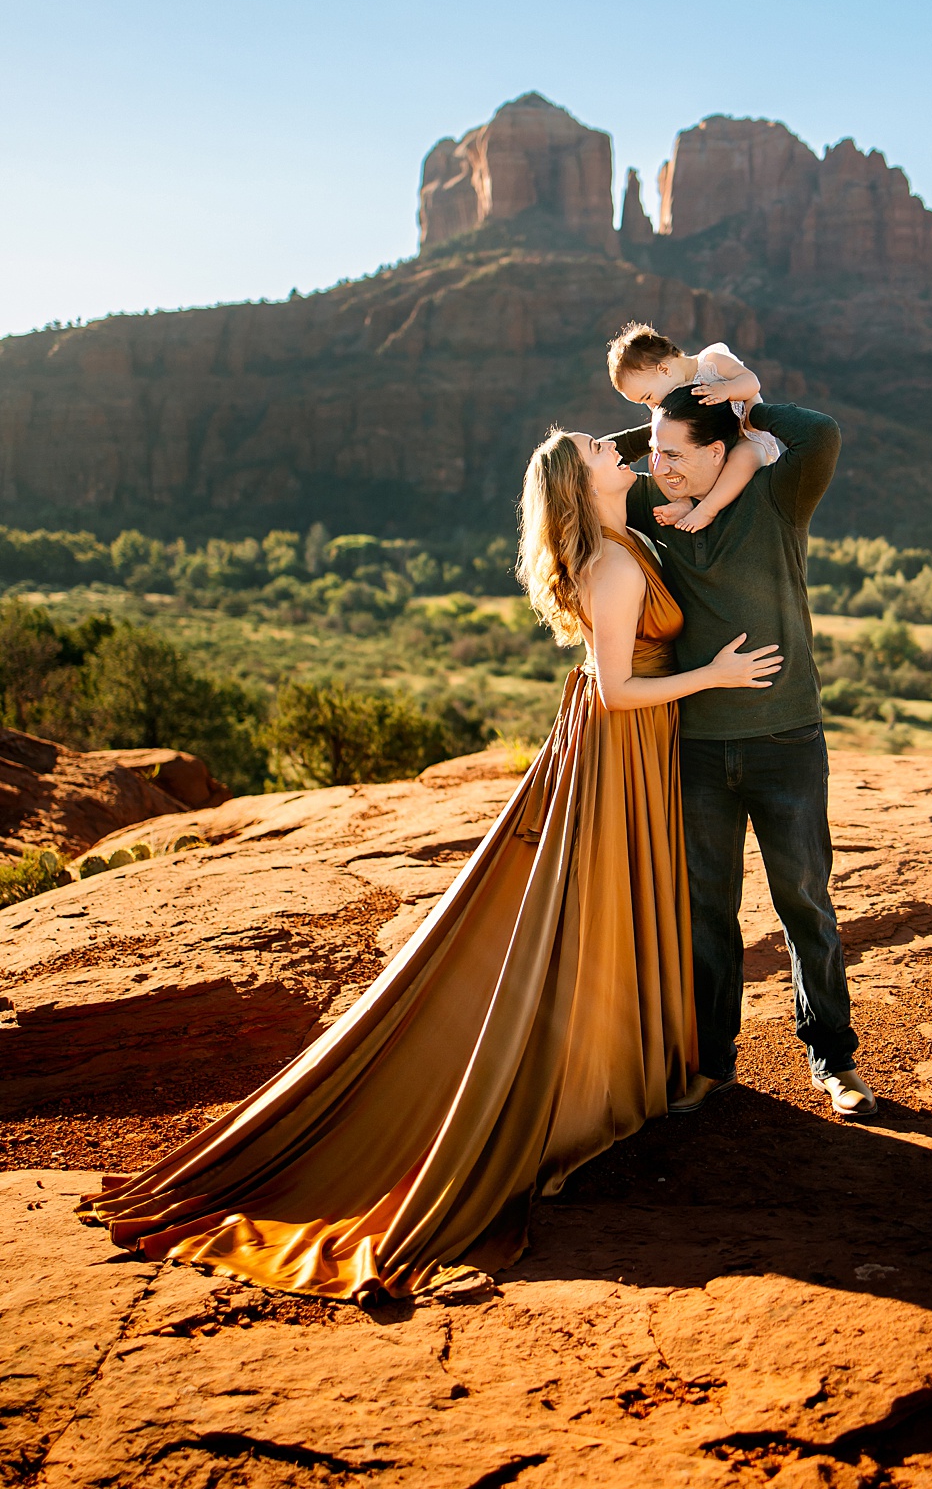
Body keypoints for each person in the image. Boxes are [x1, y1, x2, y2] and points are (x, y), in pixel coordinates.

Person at [78, 430, 780, 1303]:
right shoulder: (612, 563)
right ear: (578, 481)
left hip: (630, 749)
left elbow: (741, 457)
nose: (618, 447)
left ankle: (636, 1063)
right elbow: (614, 688)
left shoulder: (628, 539)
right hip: (620, 740)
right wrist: (712, 675)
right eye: (602, 448)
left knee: (606, 901)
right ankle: (589, 1080)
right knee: (595, 904)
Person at [606, 381, 877, 1119]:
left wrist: (744, 405)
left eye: (673, 453)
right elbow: (583, 468)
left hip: (787, 742)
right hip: (696, 749)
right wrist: (659, 421)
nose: (657, 467)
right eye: (653, 454)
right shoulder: (654, 507)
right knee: (706, 914)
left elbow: (819, 431)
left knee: (805, 905)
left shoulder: (778, 497)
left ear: (720, 451)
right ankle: (711, 1063)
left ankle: (834, 1060)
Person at [607, 320, 781, 533]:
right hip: (706, 451)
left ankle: (708, 508)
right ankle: (685, 500)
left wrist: (726, 389)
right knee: (656, 463)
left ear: (664, 369)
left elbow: (752, 382)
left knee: (745, 455)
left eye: (648, 397)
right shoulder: (670, 395)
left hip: (745, 435)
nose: (651, 406)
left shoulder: (711, 362)